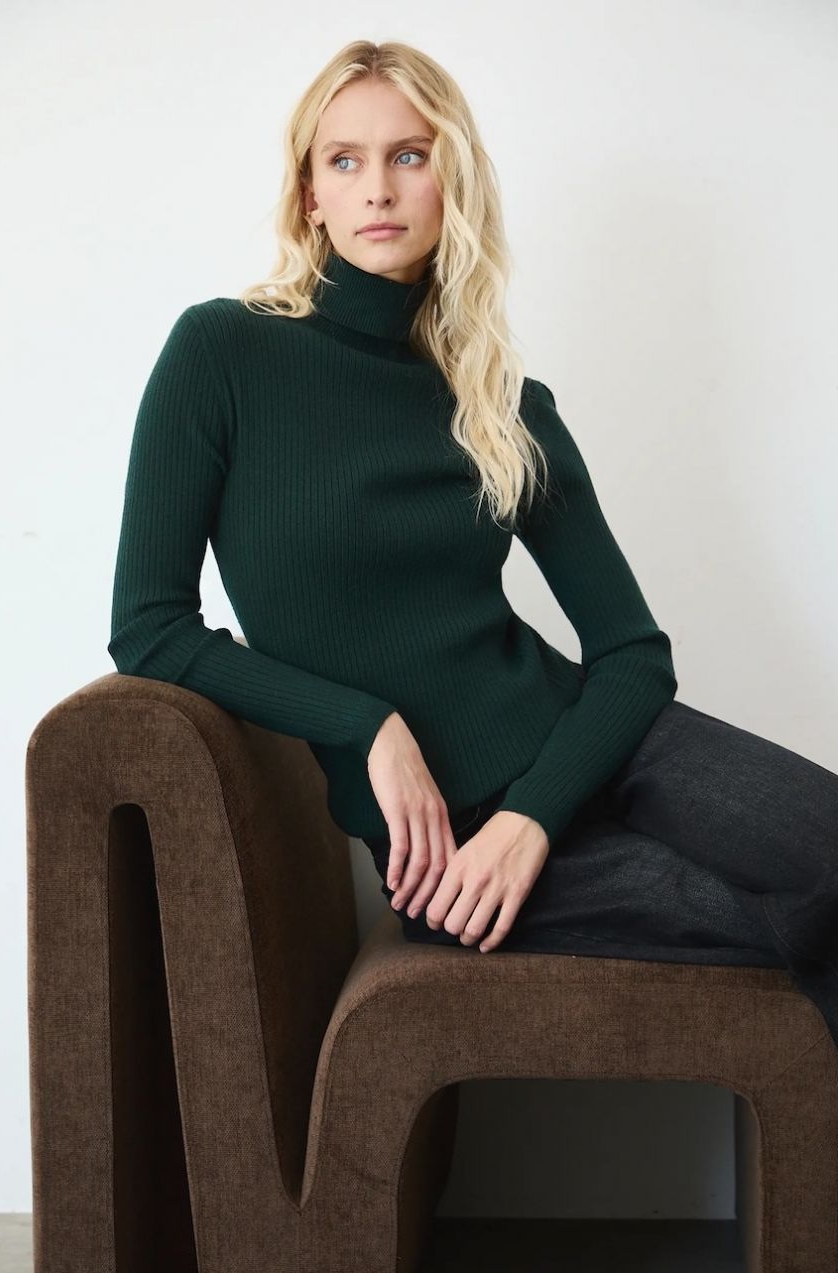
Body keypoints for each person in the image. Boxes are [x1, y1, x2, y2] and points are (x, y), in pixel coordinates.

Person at [108, 40, 838, 1047]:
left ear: (450, 180)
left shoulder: (502, 402)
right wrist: (366, 723)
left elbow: (631, 655)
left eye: (409, 155)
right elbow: (148, 627)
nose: (378, 187)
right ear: (311, 194)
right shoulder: (222, 353)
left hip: (595, 752)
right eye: (345, 160)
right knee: (787, 917)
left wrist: (532, 814)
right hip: (447, 856)